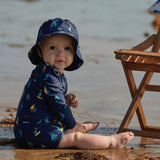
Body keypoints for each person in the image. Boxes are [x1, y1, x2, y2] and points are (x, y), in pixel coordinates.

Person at [13, 18, 134, 149]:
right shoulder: (49, 75)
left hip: (26, 129)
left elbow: (49, 98)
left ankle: (80, 128)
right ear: (40, 51)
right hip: (35, 132)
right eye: (52, 47)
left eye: (67, 48)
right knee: (76, 138)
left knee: (68, 129)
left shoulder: (47, 72)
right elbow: (58, 105)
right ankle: (111, 142)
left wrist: (65, 98)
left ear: (74, 52)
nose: (60, 53)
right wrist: (73, 125)